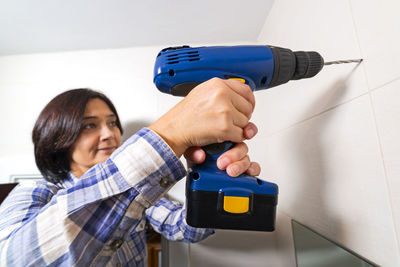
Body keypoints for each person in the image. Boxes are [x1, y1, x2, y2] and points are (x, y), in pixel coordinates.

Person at [0, 78, 260, 266]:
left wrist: (212, 180)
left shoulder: (145, 196)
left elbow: (186, 229)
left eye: (112, 123)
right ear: (59, 138)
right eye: (90, 126)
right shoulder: (34, 193)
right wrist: (170, 133)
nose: (109, 134)